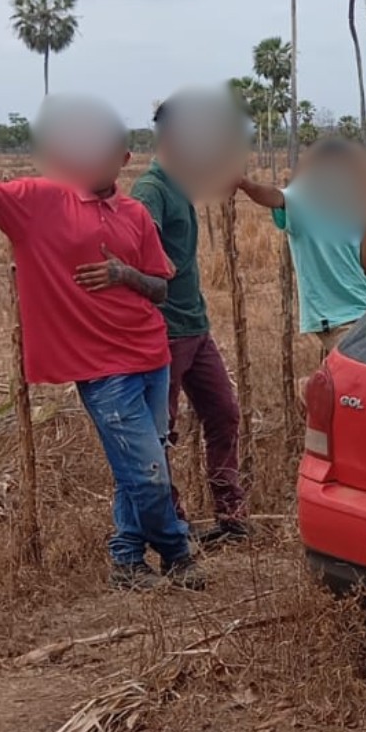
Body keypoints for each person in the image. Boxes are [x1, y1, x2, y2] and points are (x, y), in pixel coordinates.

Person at [0, 96, 202, 592]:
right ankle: (179, 552)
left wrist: (123, 274)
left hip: (151, 356)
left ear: (123, 160)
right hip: (101, 369)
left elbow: (161, 286)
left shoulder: (135, 214)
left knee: (141, 464)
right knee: (148, 473)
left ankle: (127, 559)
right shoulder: (43, 201)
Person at [132, 95, 249, 545]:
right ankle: (172, 526)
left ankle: (230, 516)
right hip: (166, 332)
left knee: (223, 414)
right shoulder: (152, 190)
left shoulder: (178, 184)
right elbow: (137, 247)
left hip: (195, 328)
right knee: (161, 433)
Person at [234, 138, 366, 395]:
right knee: (364, 381)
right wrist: (245, 183)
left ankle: (323, 387)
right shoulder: (302, 201)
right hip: (335, 316)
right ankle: (313, 391)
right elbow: (271, 196)